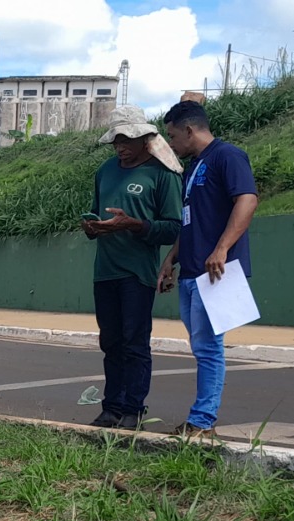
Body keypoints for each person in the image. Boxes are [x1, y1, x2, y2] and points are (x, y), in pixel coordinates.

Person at [156, 100, 258, 439]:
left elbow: (247, 200)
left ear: (189, 129)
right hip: (190, 272)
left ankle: (203, 421)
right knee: (200, 346)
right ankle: (201, 417)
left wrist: (222, 248)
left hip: (217, 271)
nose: (171, 144)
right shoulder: (193, 167)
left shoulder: (227, 156)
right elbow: (191, 220)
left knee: (210, 347)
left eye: (172, 136)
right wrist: (172, 258)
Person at [81, 106, 183, 430]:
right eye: (115, 141)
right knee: (109, 341)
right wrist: (94, 227)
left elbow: (173, 228)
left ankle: (133, 409)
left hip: (137, 272)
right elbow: (98, 213)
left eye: (126, 140)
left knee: (134, 342)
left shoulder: (162, 174)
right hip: (105, 270)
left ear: (143, 139)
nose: (120, 147)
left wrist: (134, 225)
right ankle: (111, 407)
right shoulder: (105, 170)